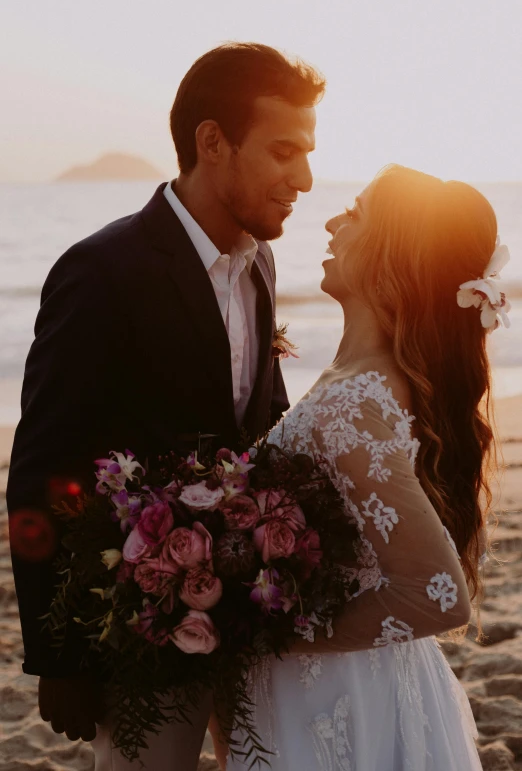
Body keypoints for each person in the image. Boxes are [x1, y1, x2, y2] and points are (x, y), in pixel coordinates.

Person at [6, 42, 325, 770]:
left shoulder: (261, 261)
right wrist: (61, 656)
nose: (305, 178)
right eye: (284, 151)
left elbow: (260, 423)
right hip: (141, 626)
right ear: (213, 141)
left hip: (247, 608)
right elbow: (42, 467)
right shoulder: (102, 271)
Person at [225, 164, 509, 770]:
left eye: (354, 213)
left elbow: (438, 597)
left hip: (336, 695)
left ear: (394, 253)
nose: (331, 222)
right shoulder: (366, 387)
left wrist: (265, 631)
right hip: (364, 680)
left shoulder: (353, 407)